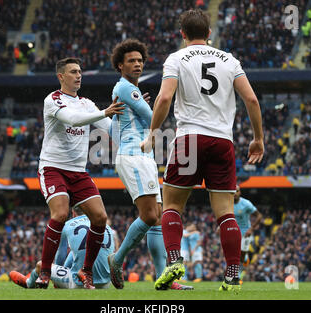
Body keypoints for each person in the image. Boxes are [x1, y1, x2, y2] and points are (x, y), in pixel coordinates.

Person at [140, 9, 264, 292]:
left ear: (182, 34)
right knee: (226, 212)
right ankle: (232, 275)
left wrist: (153, 133)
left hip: (189, 138)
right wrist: (258, 138)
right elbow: (252, 100)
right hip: (222, 141)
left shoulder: (176, 58)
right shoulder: (230, 60)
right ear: (209, 33)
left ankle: (173, 261)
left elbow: (165, 98)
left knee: (172, 206)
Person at [107, 39, 192, 291]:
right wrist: (149, 107)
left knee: (157, 221)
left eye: (140, 61)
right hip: (134, 157)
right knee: (151, 215)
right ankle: (117, 258)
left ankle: (164, 278)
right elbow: (150, 116)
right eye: (131, 61)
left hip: (143, 157)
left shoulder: (128, 92)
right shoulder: (124, 88)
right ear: (120, 65)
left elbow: (125, 127)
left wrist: (141, 107)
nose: (137, 64)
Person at [36, 57, 124, 289]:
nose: (78, 75)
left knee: (100, 218)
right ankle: (45, 272)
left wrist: (131, 115)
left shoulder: (86, 103)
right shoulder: (52, 100)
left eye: (80, 71)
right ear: (61, 76)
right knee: (61, 213)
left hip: (78, 172)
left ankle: (86, 271)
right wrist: (105, 112)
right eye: (73, 72)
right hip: (53, 168)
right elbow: (71, 118)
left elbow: (111, 129)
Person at [10, 210, 115, 289]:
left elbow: (61, 254)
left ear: (73, 212)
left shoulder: (68, 225)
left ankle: (28, 282)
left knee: (41, 265)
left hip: (80, 283)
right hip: (105, 283)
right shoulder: (105, 225)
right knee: (79, 251)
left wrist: (58, 278)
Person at [233, 184, 263, 279]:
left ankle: (244, 260)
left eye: (237, 191)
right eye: (233, 191)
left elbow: (259, 216)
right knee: (235, 254)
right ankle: (237, 275)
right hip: (234, 231)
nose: (235, 193)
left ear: (240, 192)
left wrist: (251, 229)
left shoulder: (246, 204)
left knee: (241, 255)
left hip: (246, 231)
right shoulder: (227, 204)